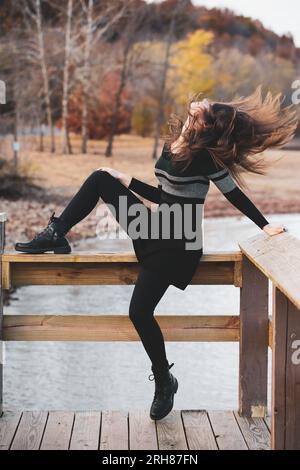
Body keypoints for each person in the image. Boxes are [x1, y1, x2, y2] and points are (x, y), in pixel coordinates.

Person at [15, 85, 296, 421]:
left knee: (139, 311)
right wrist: (126, 180)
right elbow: (164, 196)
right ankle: (55, 234)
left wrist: (264, 226)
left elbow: (234, 195)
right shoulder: (173, 143)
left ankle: (164, 380)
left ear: (205, 123)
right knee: (100, 177)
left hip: (178, 243)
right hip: (154, 226)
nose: (202, 101)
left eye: (207, 107)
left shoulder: (206, 158)